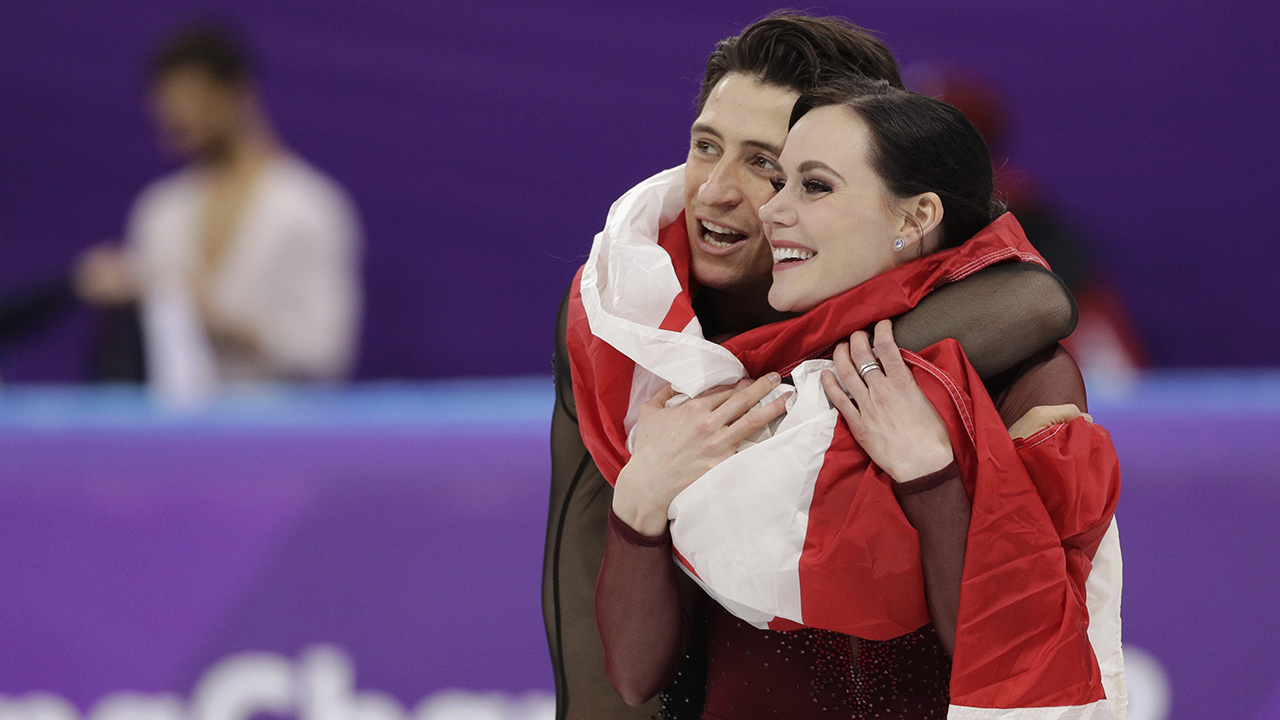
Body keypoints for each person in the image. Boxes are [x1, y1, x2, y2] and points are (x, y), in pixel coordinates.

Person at [543, 13, 1084, 720]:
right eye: (706, 146)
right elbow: (614, 677)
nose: (716, 192)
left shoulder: (991, 337)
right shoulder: (629, 321)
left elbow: (1036, 300)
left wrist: (921, 467)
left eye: (776, 168)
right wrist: (642, 500)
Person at [76, 22, 362, 402]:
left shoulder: (309, 208)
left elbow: (325, 354)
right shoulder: (160, 210)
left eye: (190, 101)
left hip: (276, 436)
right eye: (165, 105)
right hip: (174, 440)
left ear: (237, 94)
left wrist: (219, 321)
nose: (175, 118)